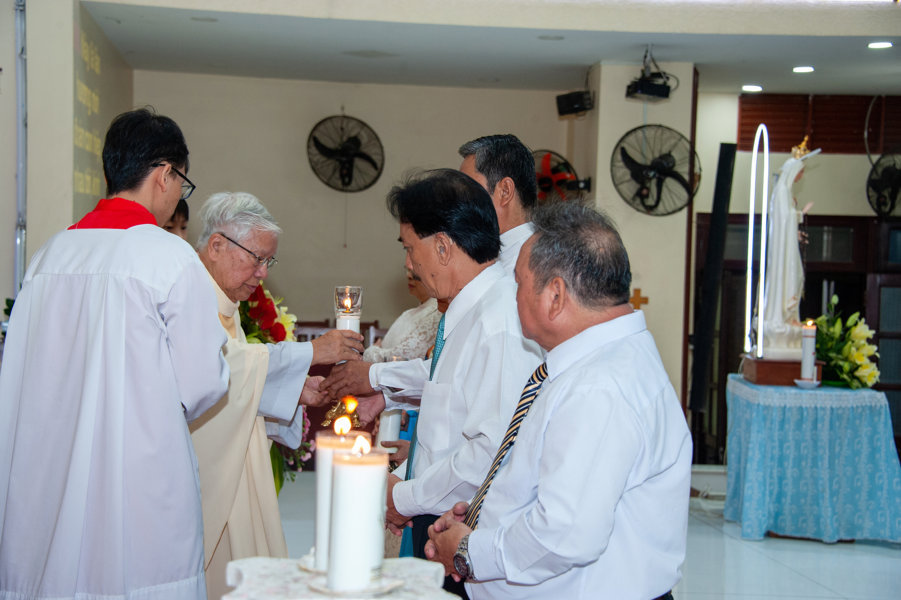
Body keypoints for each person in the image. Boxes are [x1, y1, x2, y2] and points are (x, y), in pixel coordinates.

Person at [0, 108, 230, 600]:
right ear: (165, 174)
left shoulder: (48, 256)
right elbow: (202, 383)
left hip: (51, 468)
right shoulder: (169, 256)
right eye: (182, 183)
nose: (178, 196)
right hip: (135, 471)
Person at [424, 203, 692, 600]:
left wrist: (468, 552)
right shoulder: (591, 363)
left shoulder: (599, 387)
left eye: (517, 283)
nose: (513, 297)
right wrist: (480, 517)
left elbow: (564, 536)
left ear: (555, 295)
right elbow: (546, 479)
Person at [190, 191, 364, 599]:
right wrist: (311, 352)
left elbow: (234, 380)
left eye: (269, 261)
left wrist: (291, 390)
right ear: (216, 246)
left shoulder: (223, 302)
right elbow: (216, 371)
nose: (263, 273)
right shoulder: (188, 296)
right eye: (257, 258)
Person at [379, 169, 543, 596]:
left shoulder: (500, 322)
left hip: (471, 541)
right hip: (440, 521)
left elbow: (490, 453)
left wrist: (404, 497)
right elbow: (446, 428)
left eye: (410, 248)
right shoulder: (465, 313)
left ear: (443, 246)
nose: (408, 264)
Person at [321, 133, 538, 404]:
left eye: (468, 188)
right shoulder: (470, 271)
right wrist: (387, 398)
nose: (459, 199)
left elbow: (499, 399)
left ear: (504, 191)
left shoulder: (537, 266)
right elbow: (451, 373)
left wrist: (376, 376)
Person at [458, 134, 538, 274]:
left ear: (505, 191)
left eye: (468, 190)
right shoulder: (490, 253)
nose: (460, 202)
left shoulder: (530, 265)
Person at [362, 268, 442, 363]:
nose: (409, 275)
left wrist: (371, 351)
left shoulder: (438, 313)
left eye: (415, 270)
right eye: (407, 270)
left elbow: (406, 356)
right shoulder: (408, 314)